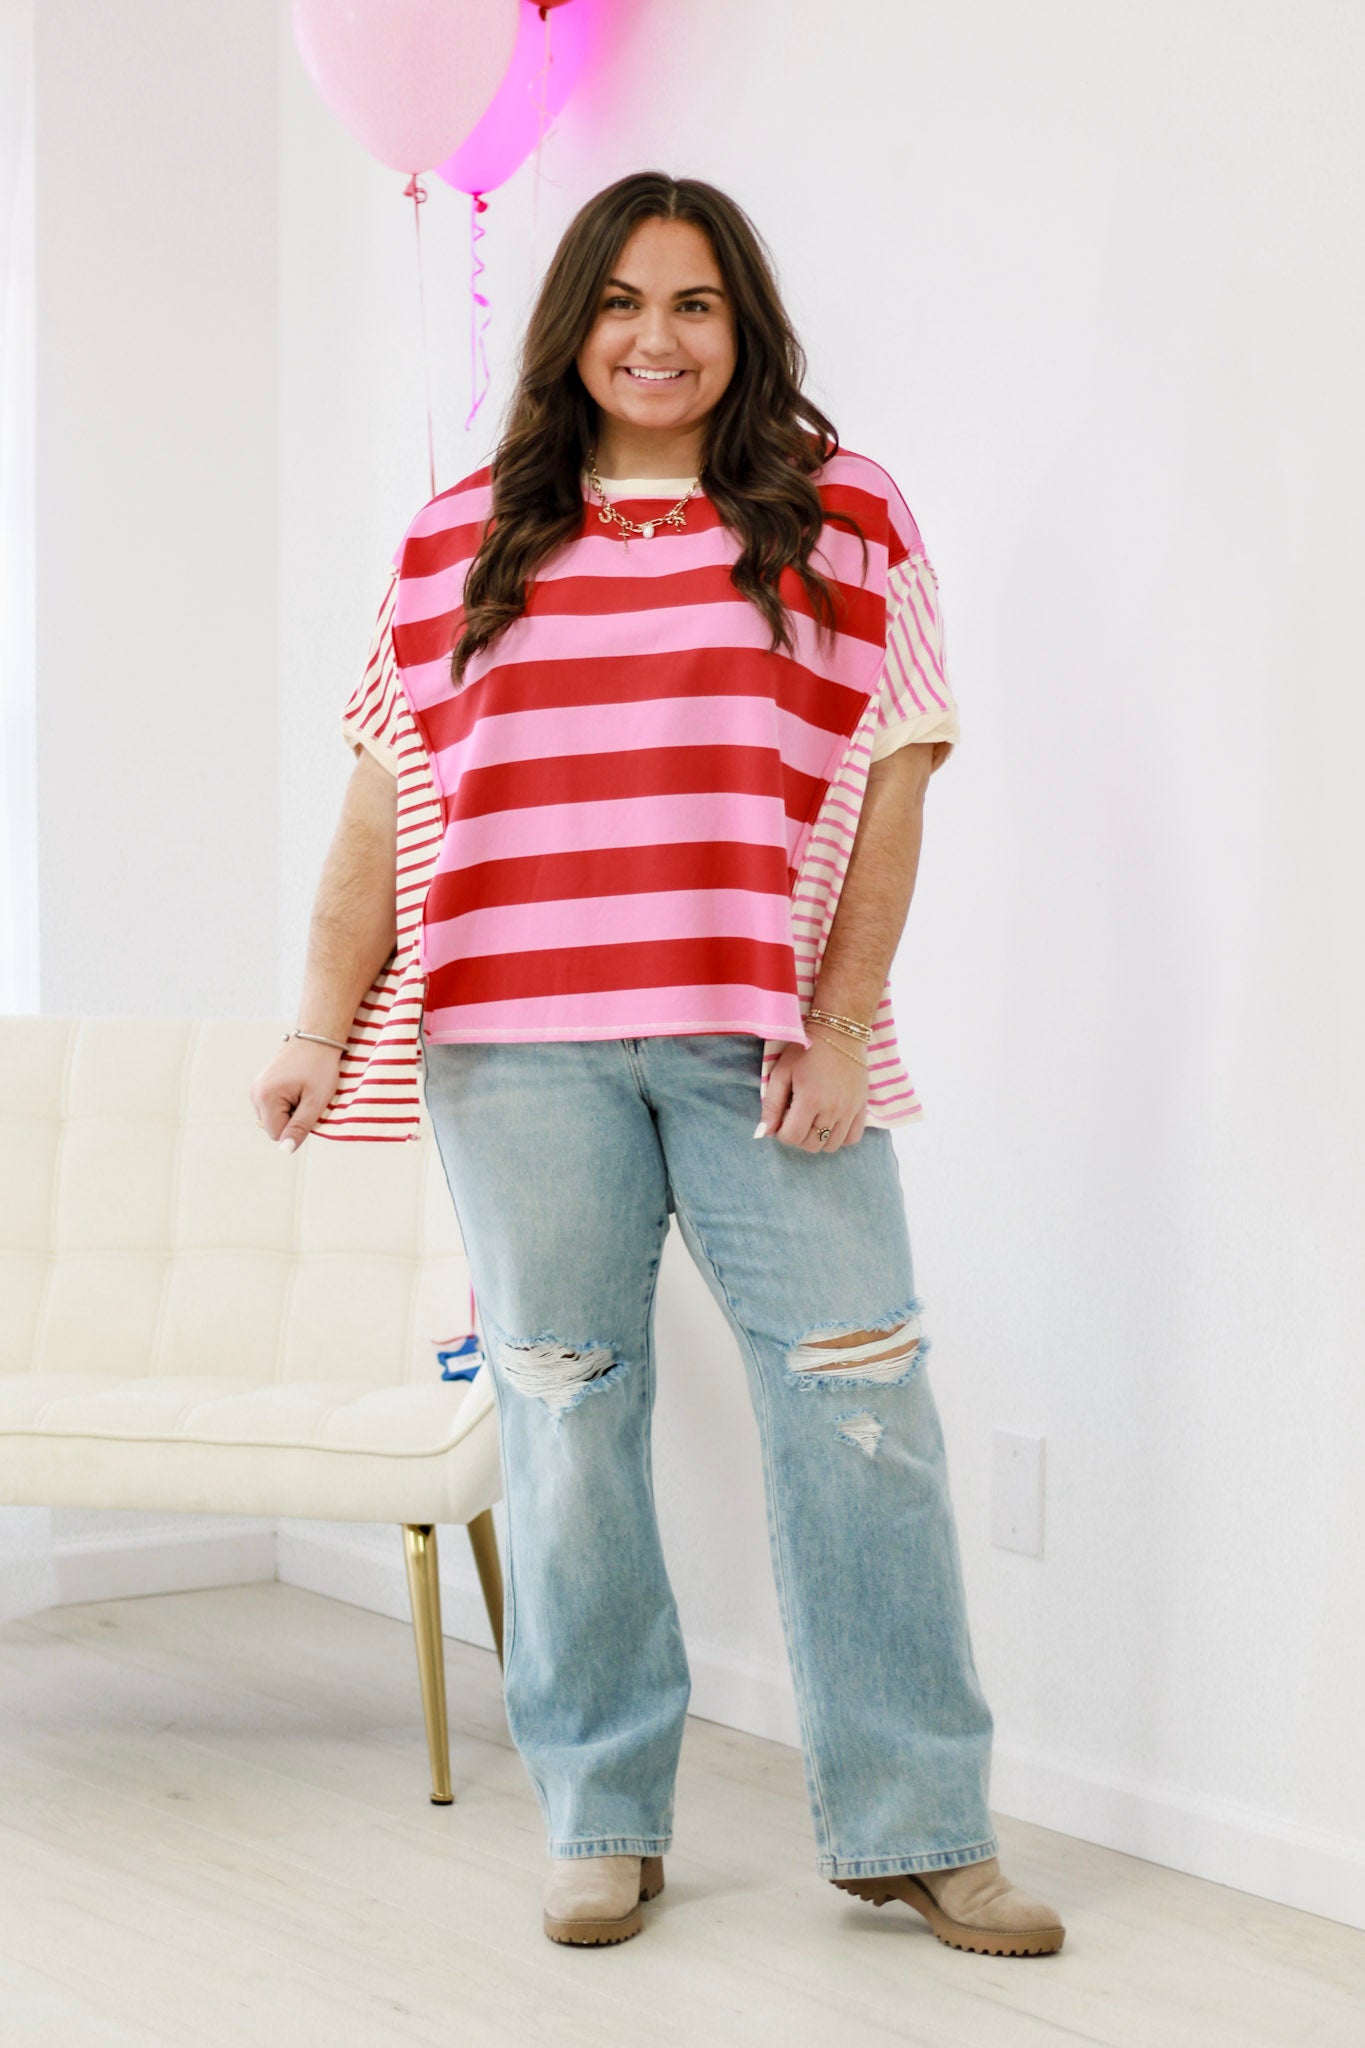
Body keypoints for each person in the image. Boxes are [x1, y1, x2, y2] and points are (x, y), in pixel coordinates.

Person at [250, 170, 1065, 1959]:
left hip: (755, 1042)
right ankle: (601, 1816)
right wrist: (318, 1020)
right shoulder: (459, 536)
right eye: (621, 301)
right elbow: (387, 803)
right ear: (572, 326)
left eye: (694, 303)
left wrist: (838, 1027)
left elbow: (896, 780)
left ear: (741, 325)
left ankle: (918, 1825)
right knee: (565, 1421)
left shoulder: (841, 516)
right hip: (510, 1050)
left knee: (858, 1403)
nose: (657, 337)